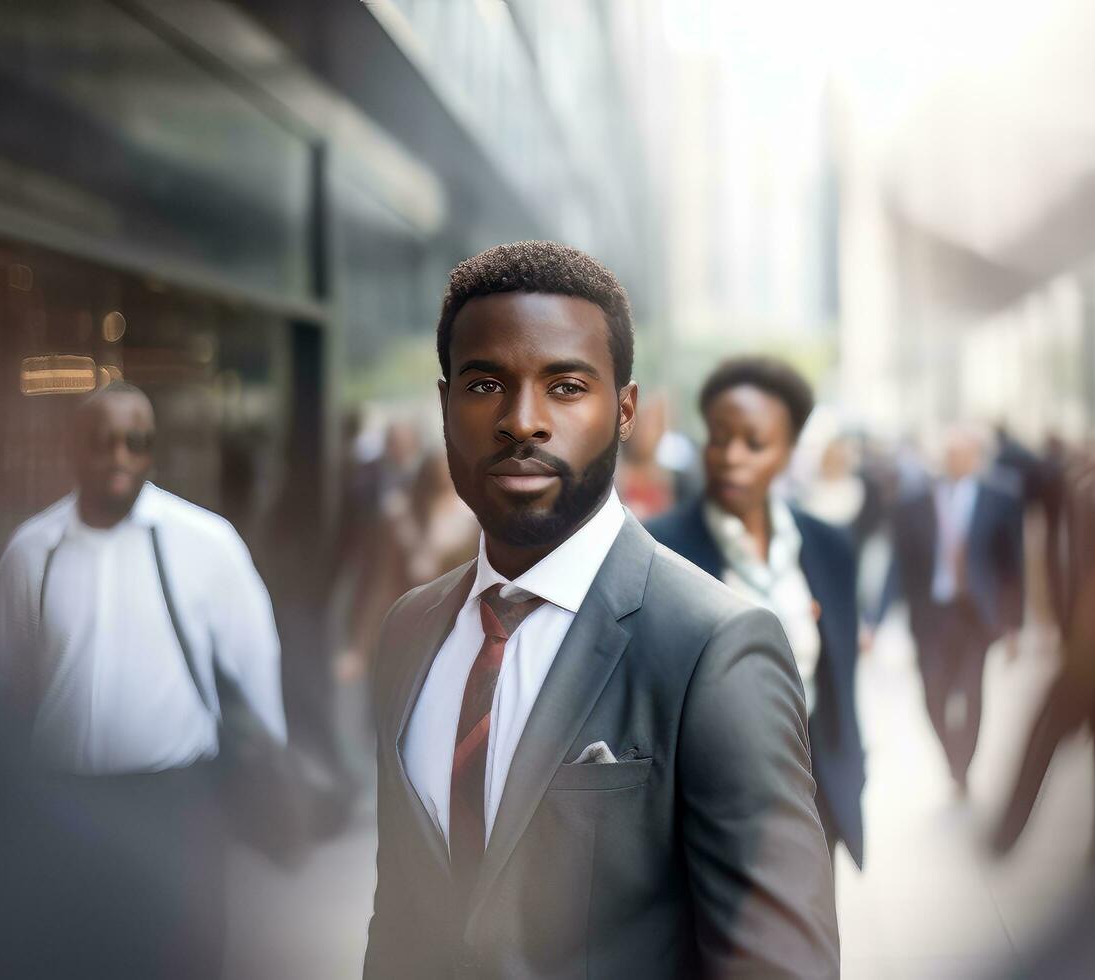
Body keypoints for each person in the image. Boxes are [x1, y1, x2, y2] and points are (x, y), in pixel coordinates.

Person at [365, 242, 839, 978]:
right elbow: (400, 914)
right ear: (445, 404)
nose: (523, 422)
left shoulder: (715, 647)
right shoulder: (409, 629)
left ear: (624, 411)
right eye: (486, 383)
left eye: (565, 387)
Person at [0, 381, 287, 979]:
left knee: (185, 957)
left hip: (178, 802)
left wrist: (267, 772)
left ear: (152, 451)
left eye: (135, 442)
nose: (119, 456)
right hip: (66, 804)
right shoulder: (33, 550)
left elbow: (255, 659)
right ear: (73, 449)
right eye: (102, 441)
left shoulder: (205, 542)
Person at [647, 357, 866, 890]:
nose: (730, 458)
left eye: (753, 443)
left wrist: (852, 774)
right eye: (718, 439)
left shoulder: (829, 547)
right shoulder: (656, 549)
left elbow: (842, 682)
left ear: (789, 452)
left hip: (812, 799)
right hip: (702, 807)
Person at [885, 425, 1023, 796]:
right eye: (949, 455)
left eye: (963, 454)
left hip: (977, 617)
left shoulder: (1000, 498)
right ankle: (951, 756)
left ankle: (964, 764)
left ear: (976, 458)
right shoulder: (912, 503)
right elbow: (897, 565)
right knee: (933, 694)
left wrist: (1014, 625)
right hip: (932, 616)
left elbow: (1013, 565)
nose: (956, 461)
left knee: (972, 691)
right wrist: (875, 617)